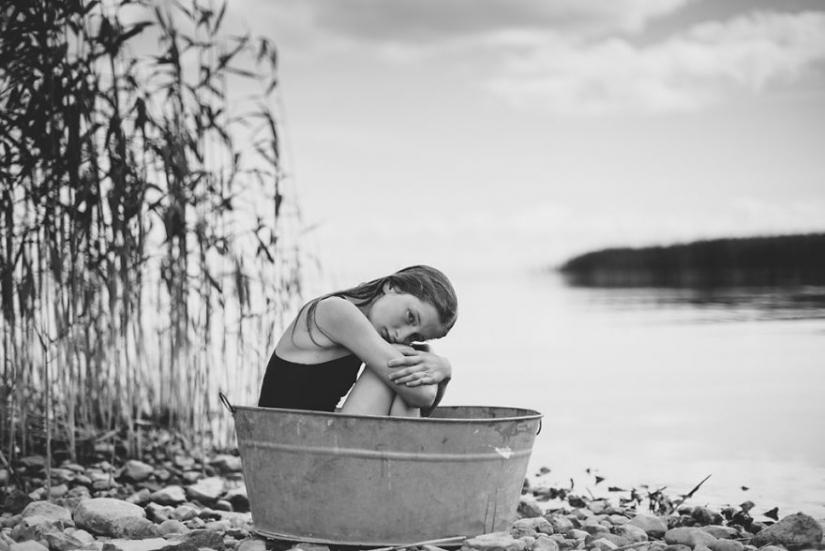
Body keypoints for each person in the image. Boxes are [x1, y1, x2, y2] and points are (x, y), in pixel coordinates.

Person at [258, 265, 458, 417]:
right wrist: (441, 367)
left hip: (312, 442)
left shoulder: (370, 335)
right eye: (410, 317)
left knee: (409, 365)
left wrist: (443, 375)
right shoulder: (336, 311)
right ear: (391, 286)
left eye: (415, 336)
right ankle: (399, 469)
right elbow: (422, 395)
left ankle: (397, 469)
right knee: (401, 368)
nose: (402, 335)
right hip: (289, 442)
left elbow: (423, 408)